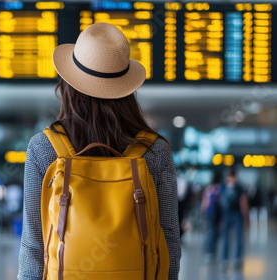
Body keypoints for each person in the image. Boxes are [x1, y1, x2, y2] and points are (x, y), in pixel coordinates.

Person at [18, 23, 181, 280]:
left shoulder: (44, 148)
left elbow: (33, 244)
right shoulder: (155, 151)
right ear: (127, 88)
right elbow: (169, 237)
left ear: (68, 84)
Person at [220, 169, 249, 270]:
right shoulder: (236, 187)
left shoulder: (226, 187)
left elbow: (220, 201)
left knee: (230, 238)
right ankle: (233, 259)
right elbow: (243, 203)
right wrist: (246, 218)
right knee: (234, 237)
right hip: (233, 214)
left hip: (231, 214)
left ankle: (228, 260)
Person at [201, 172, 222, 262]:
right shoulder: (219, 189)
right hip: (216, 213)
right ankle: (212, 251)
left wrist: (203, 211)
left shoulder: (208, 188)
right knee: (214, 231)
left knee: (209, 231)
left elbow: (204, 202)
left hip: (208, 212)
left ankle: (208, 251)